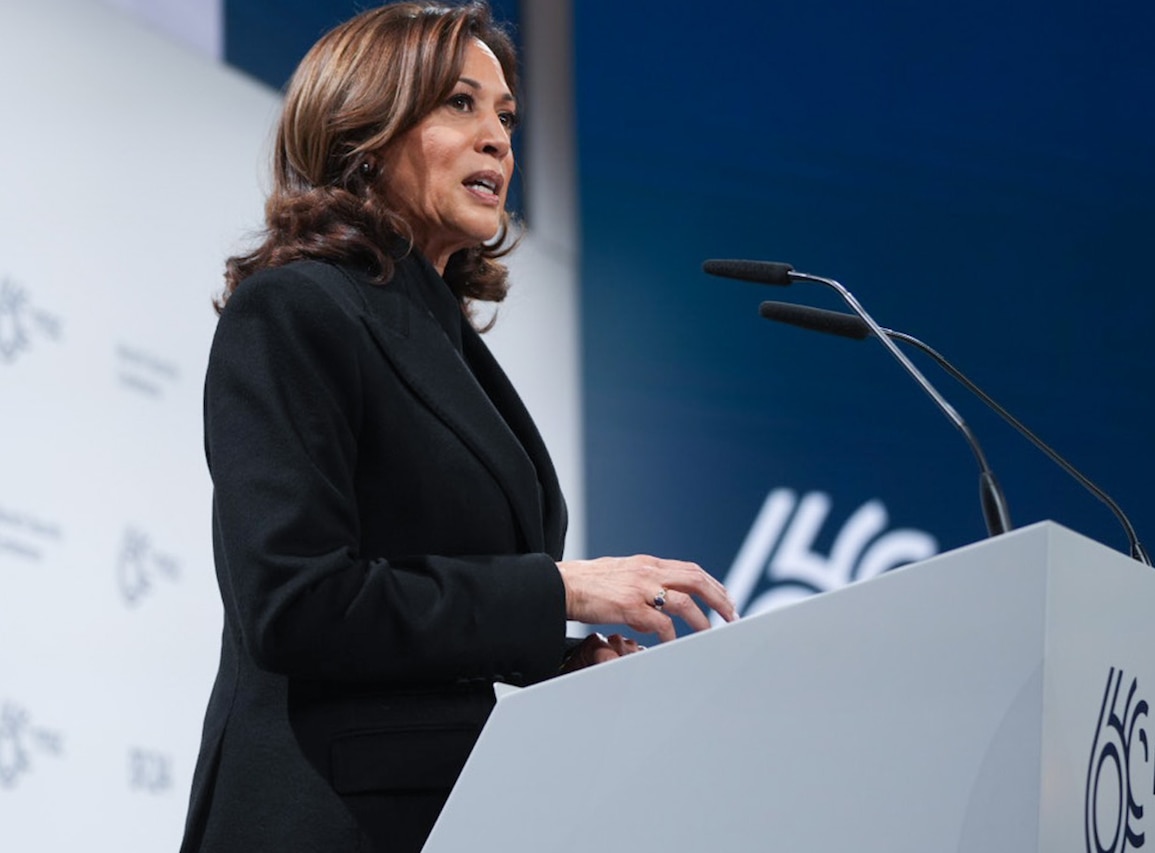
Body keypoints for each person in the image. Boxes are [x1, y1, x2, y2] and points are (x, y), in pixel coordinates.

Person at [177, 3, 737, 852]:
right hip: (319, 815)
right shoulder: (293, 310)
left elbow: (436, 606)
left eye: (508, 117)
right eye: (461, 105)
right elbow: (299, 603)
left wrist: (561, 663)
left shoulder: (446, 342)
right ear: (364, 127)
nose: (500, 140)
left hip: (453, 813)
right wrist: (560, 590)